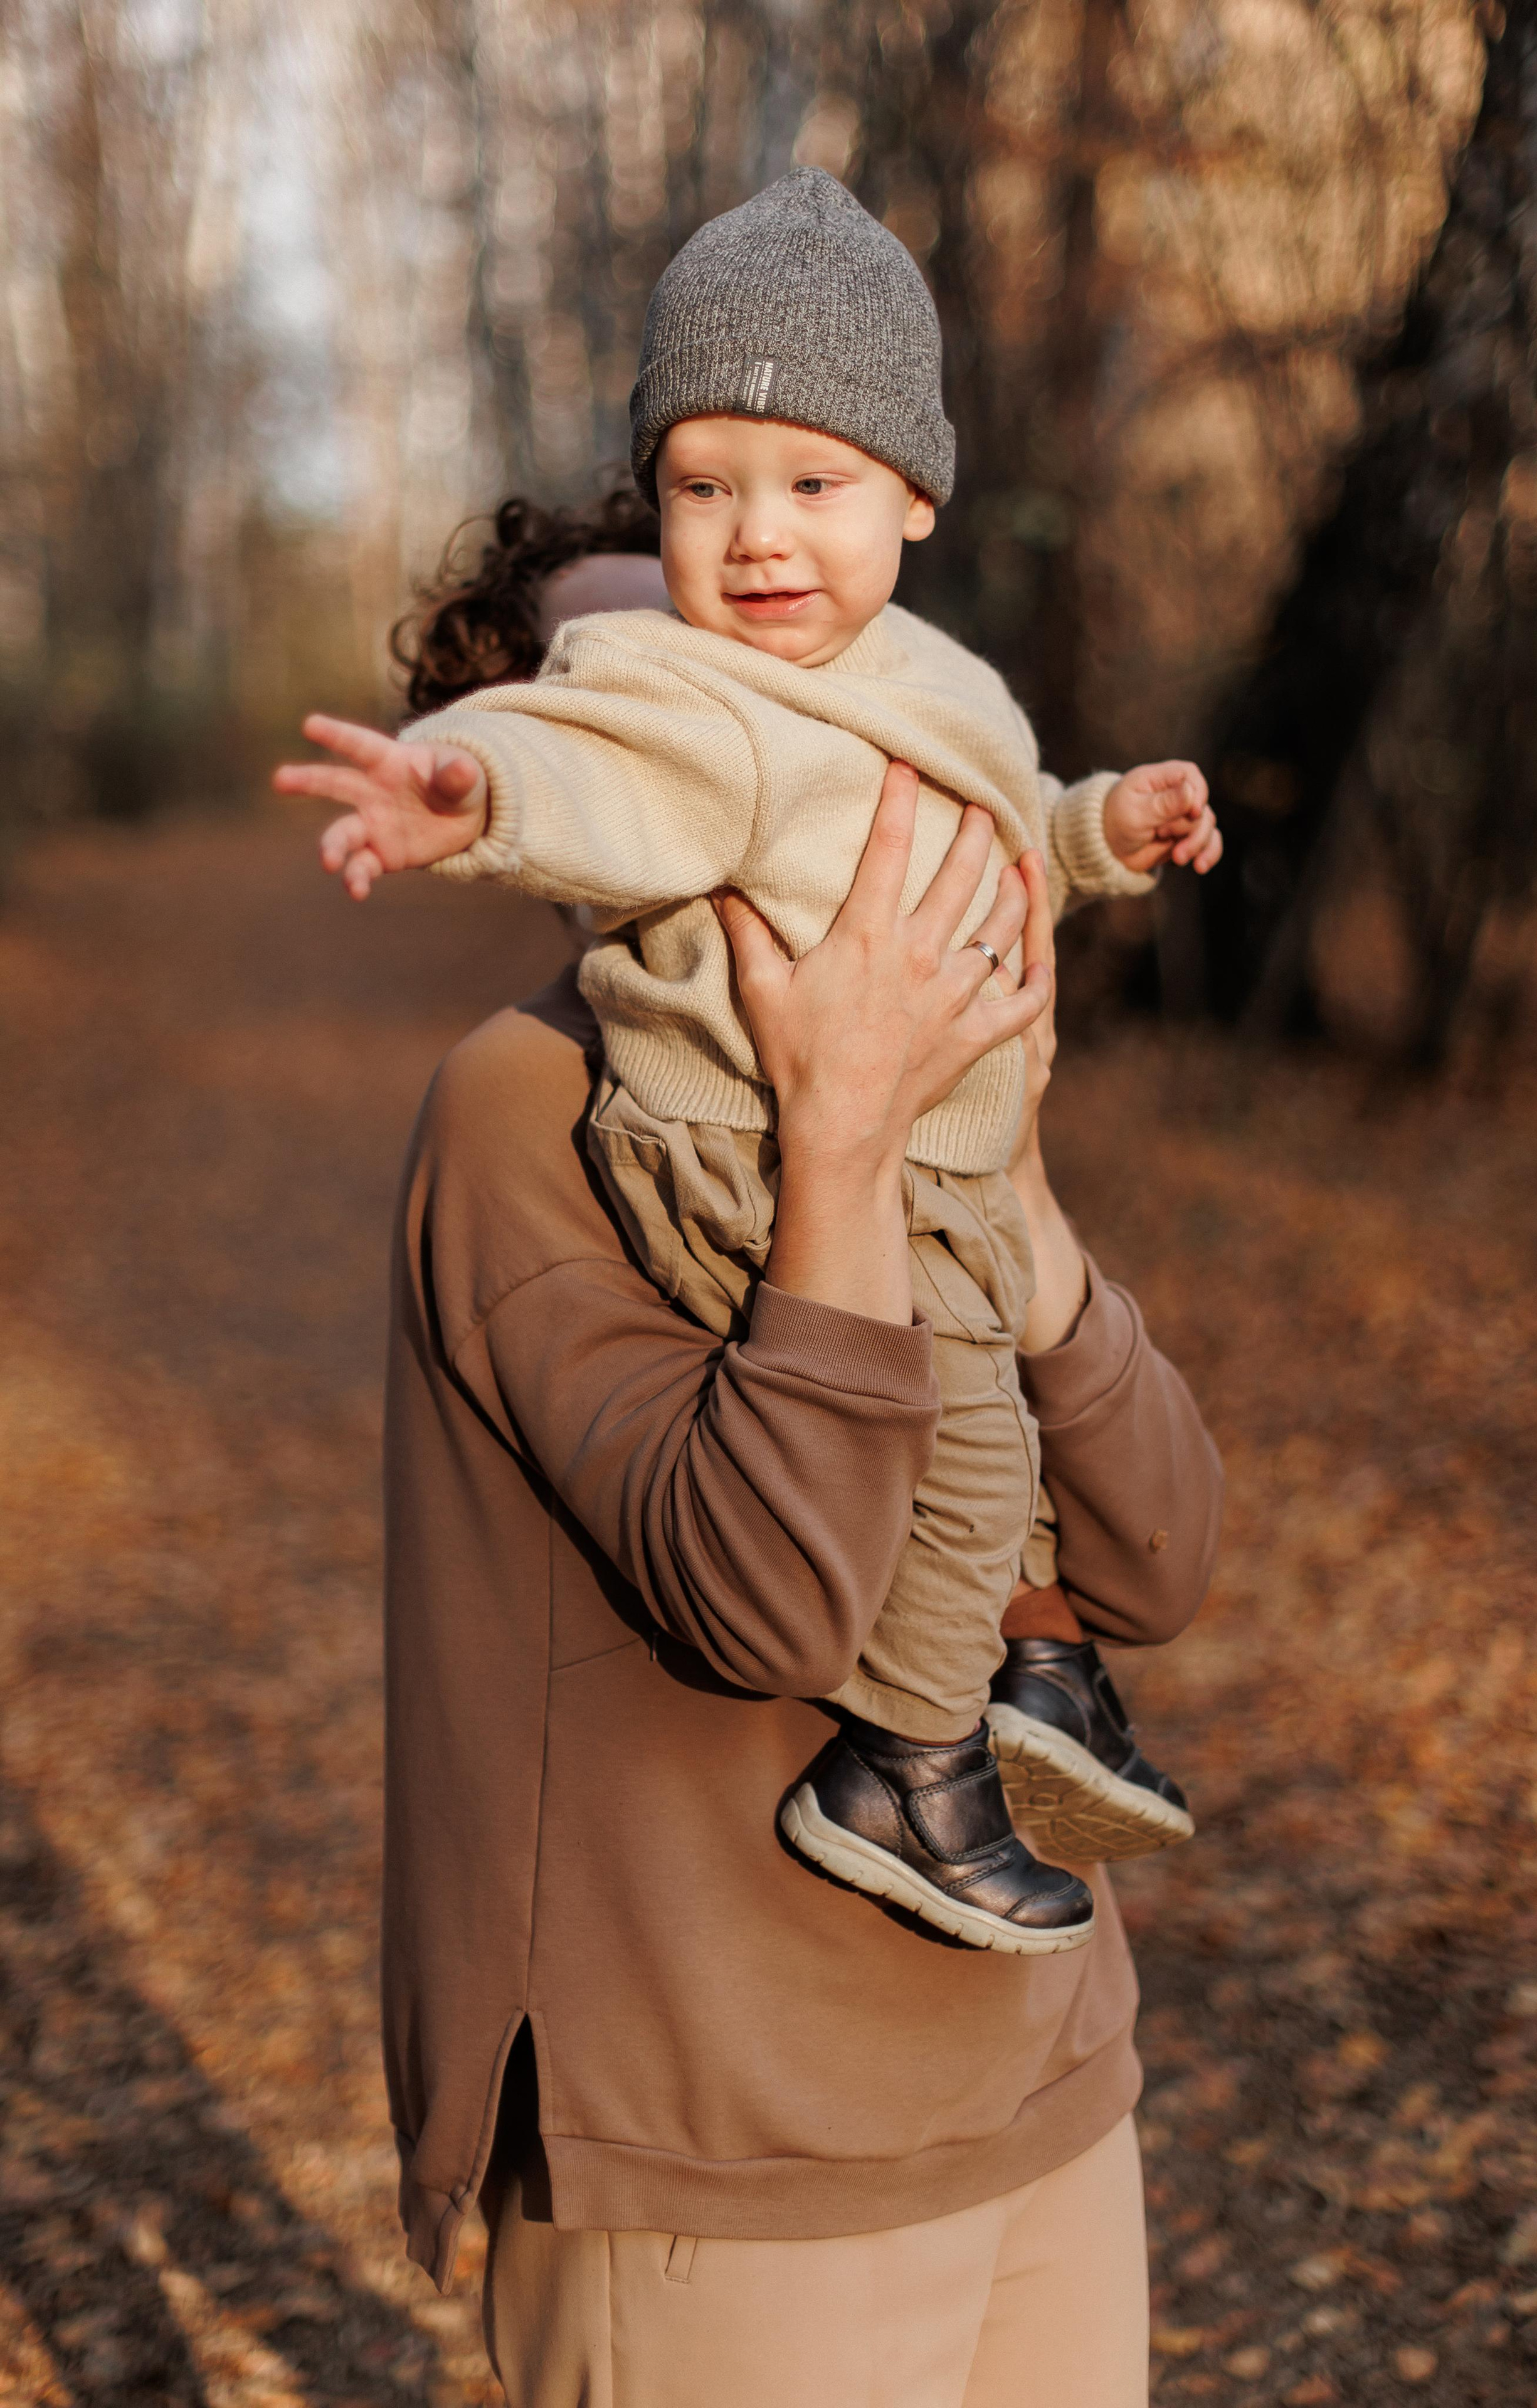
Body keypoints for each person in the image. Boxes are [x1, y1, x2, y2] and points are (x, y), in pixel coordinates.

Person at [277, 168, 1223, 1956]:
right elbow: (592, 767)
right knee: (940, 1444)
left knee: (995, 1448)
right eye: (706, 502)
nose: (754, 563)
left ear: (904, 508)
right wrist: (475, 788)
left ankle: (1029, 1672)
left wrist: (1101, 841)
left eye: (806, 494)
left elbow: (1172, 1552)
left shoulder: (891, 695)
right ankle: (921, 1751)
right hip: (711, 2115)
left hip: (1041, 2105)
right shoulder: (532, 1073)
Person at [380, 762, 1222, 2403]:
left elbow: (1160, 1561)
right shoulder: (528, 1101)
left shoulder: (921, 1048)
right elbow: (774, 1605)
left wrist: (1024, 1194)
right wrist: (840, 1143)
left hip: (1043, 2072)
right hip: (730, 2144)